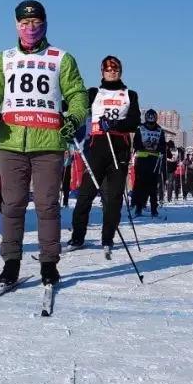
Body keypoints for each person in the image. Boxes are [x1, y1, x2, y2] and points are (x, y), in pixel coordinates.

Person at [0, 0, 88, 286]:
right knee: (12, 205)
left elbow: (77, 95)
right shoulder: (3, 58)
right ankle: (11, 262)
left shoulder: (61, 58)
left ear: (45, 24)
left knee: (47, 206)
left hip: (49, 142)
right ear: (16, 25)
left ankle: (49, 264)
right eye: (25, 23)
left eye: (36, 22)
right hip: (11, 141)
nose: (30, 28)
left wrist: (74, 119)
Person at [67, 56, 141, 257]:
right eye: (108, 69)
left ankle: (107, 238)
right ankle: (77, 236)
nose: (112, 71)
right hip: (97, 147)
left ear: (120, 71)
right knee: (85, 196)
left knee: (114, 198)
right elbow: (74, 107)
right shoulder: (93, 93)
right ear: (102, 72)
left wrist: (116, 124)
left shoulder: (129, 94)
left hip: (119, 149)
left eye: (115, 68)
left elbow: (135, 121)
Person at [132, 109, 166, 217]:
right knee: (140, 185)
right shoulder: (140, 128)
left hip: (154, 161)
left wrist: (158, 149)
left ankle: (153, 209)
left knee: (153, 186)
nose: (151, 123)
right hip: (142, 160)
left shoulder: (160, 130)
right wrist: (144, 146)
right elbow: (135, 144)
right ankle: (138, 207)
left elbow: (163, 145)